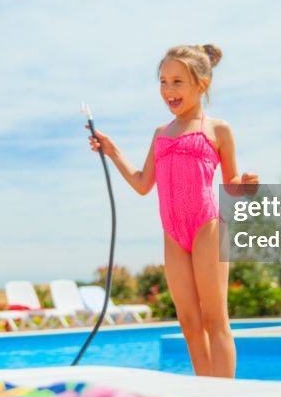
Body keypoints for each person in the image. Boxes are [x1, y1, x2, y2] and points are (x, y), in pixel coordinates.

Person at [88, 44, 258, 378]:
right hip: (173, 233)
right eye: (163, 82)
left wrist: (246, 186)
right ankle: (206, 390)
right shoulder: (160, 135)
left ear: (202, 84)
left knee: (214, 319)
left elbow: (231, 183)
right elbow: (142, 183)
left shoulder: (218, 130)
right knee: (189, 322)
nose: (169, 90)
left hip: (207, 226)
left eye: (177, 81)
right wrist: (112, 150)